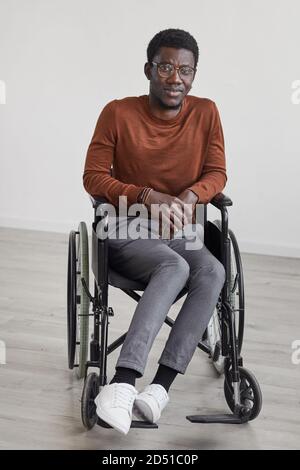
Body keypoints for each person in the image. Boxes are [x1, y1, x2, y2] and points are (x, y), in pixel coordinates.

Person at [83, 28, 227, 435]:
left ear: (194, 75)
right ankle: (122, 383)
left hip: (181, 227)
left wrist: (187, 198)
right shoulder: (118, 112)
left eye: (185, 70)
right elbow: (93, 178)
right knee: (173, 266)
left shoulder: (207, 112)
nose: (175, 78)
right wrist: (147, 196)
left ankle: (158, 390)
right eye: (166, 67)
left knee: (213, 271)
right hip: (124, 223)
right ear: (149, 69)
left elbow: (217, 173)